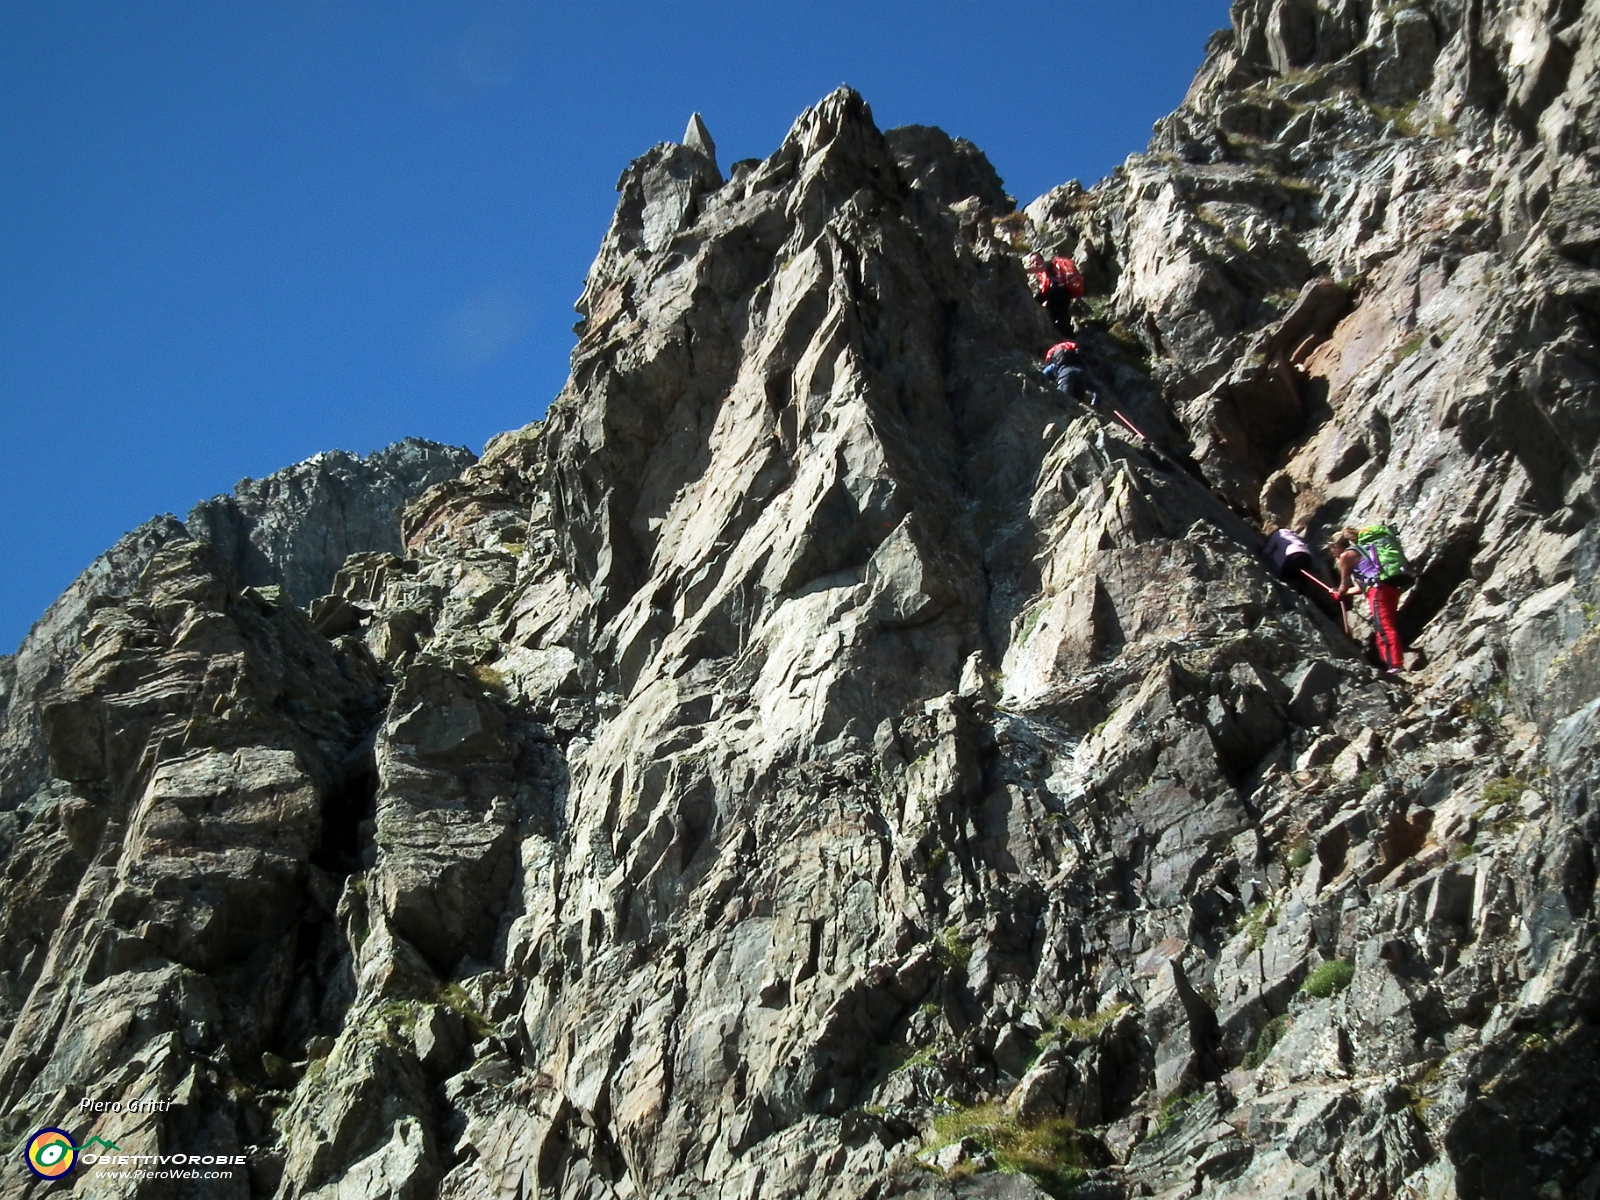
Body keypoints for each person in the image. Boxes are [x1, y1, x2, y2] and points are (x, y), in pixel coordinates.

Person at [1332, 524, 1413, 674]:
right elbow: (1360, 587)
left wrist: (1339, 593)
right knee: (1387, 624)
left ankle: (1394, 664)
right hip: (1390, 587)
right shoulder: (1364, 551)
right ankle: (1395, 662)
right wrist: (1342, 592)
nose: (1332, 554)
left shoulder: (1346, 556)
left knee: (1383, 626)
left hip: (1377, 590)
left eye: (1331, 550)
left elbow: (1344, 585)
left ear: (1336, 546)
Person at [1026, 250, 1084, 336]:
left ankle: (1068, 339)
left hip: (1060, 293)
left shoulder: (1049, 265)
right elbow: (1044, 292)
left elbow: (1039, 268)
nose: (1035, 263)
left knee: (1060, 317)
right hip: (1056, 295)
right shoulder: (1043, 276)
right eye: (1033, 262)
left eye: (1037, 260)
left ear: (1042, 260)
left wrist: (1023, 270)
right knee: (1057, 317)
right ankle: (1067, 337)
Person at [1042, 340, 1096, 406]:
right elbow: (1095, 388)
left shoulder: (1055, 364)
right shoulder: (1080, 365)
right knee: (1076, 401)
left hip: (1066, 374)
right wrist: (1095, 401)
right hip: (1082, 376)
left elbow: (1043, 374)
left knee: (1063, 400)